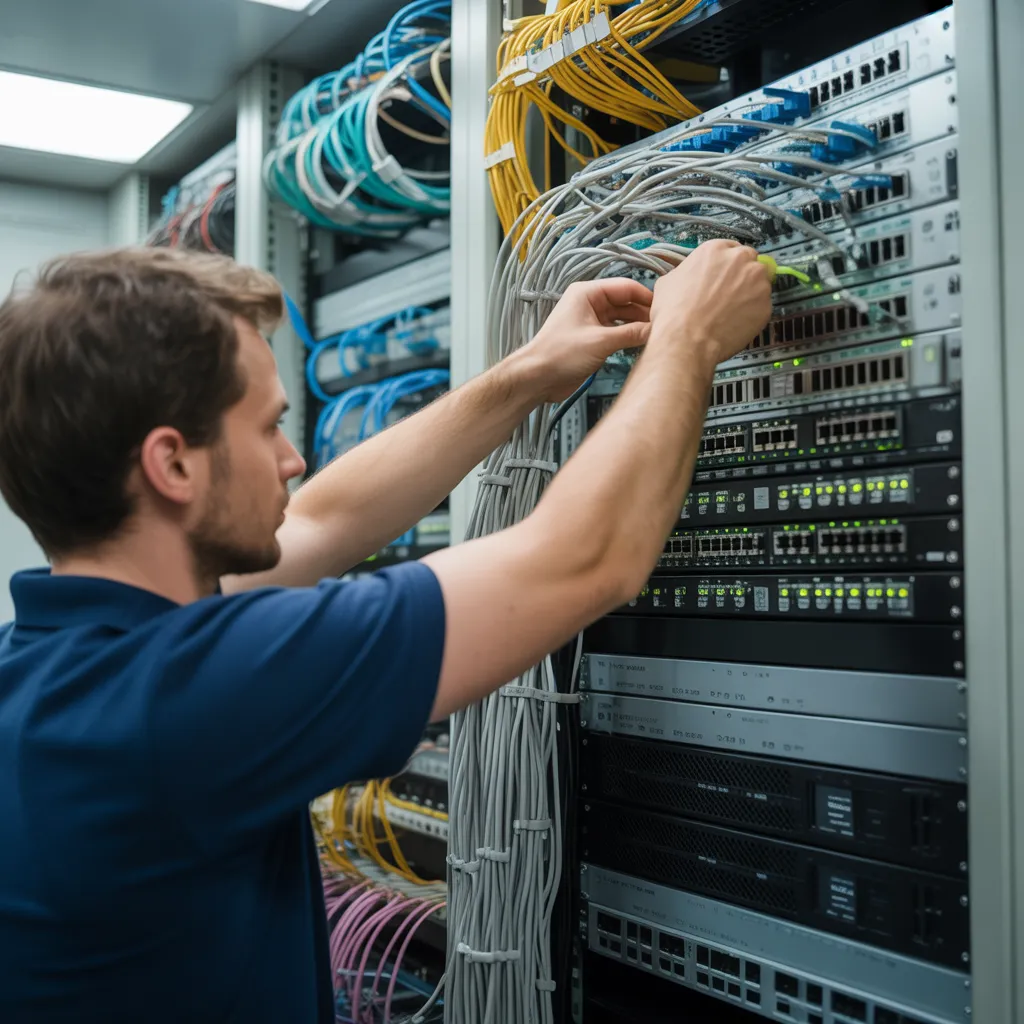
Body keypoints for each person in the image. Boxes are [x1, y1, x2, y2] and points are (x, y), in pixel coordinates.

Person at [0, 240, 771, 1023]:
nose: (293, 459)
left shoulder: (52, 669)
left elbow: (324, 521)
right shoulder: (187, 693)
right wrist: (690, 338)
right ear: (173, 467)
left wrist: (533, 370)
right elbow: (584, 560)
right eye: (267, 428)